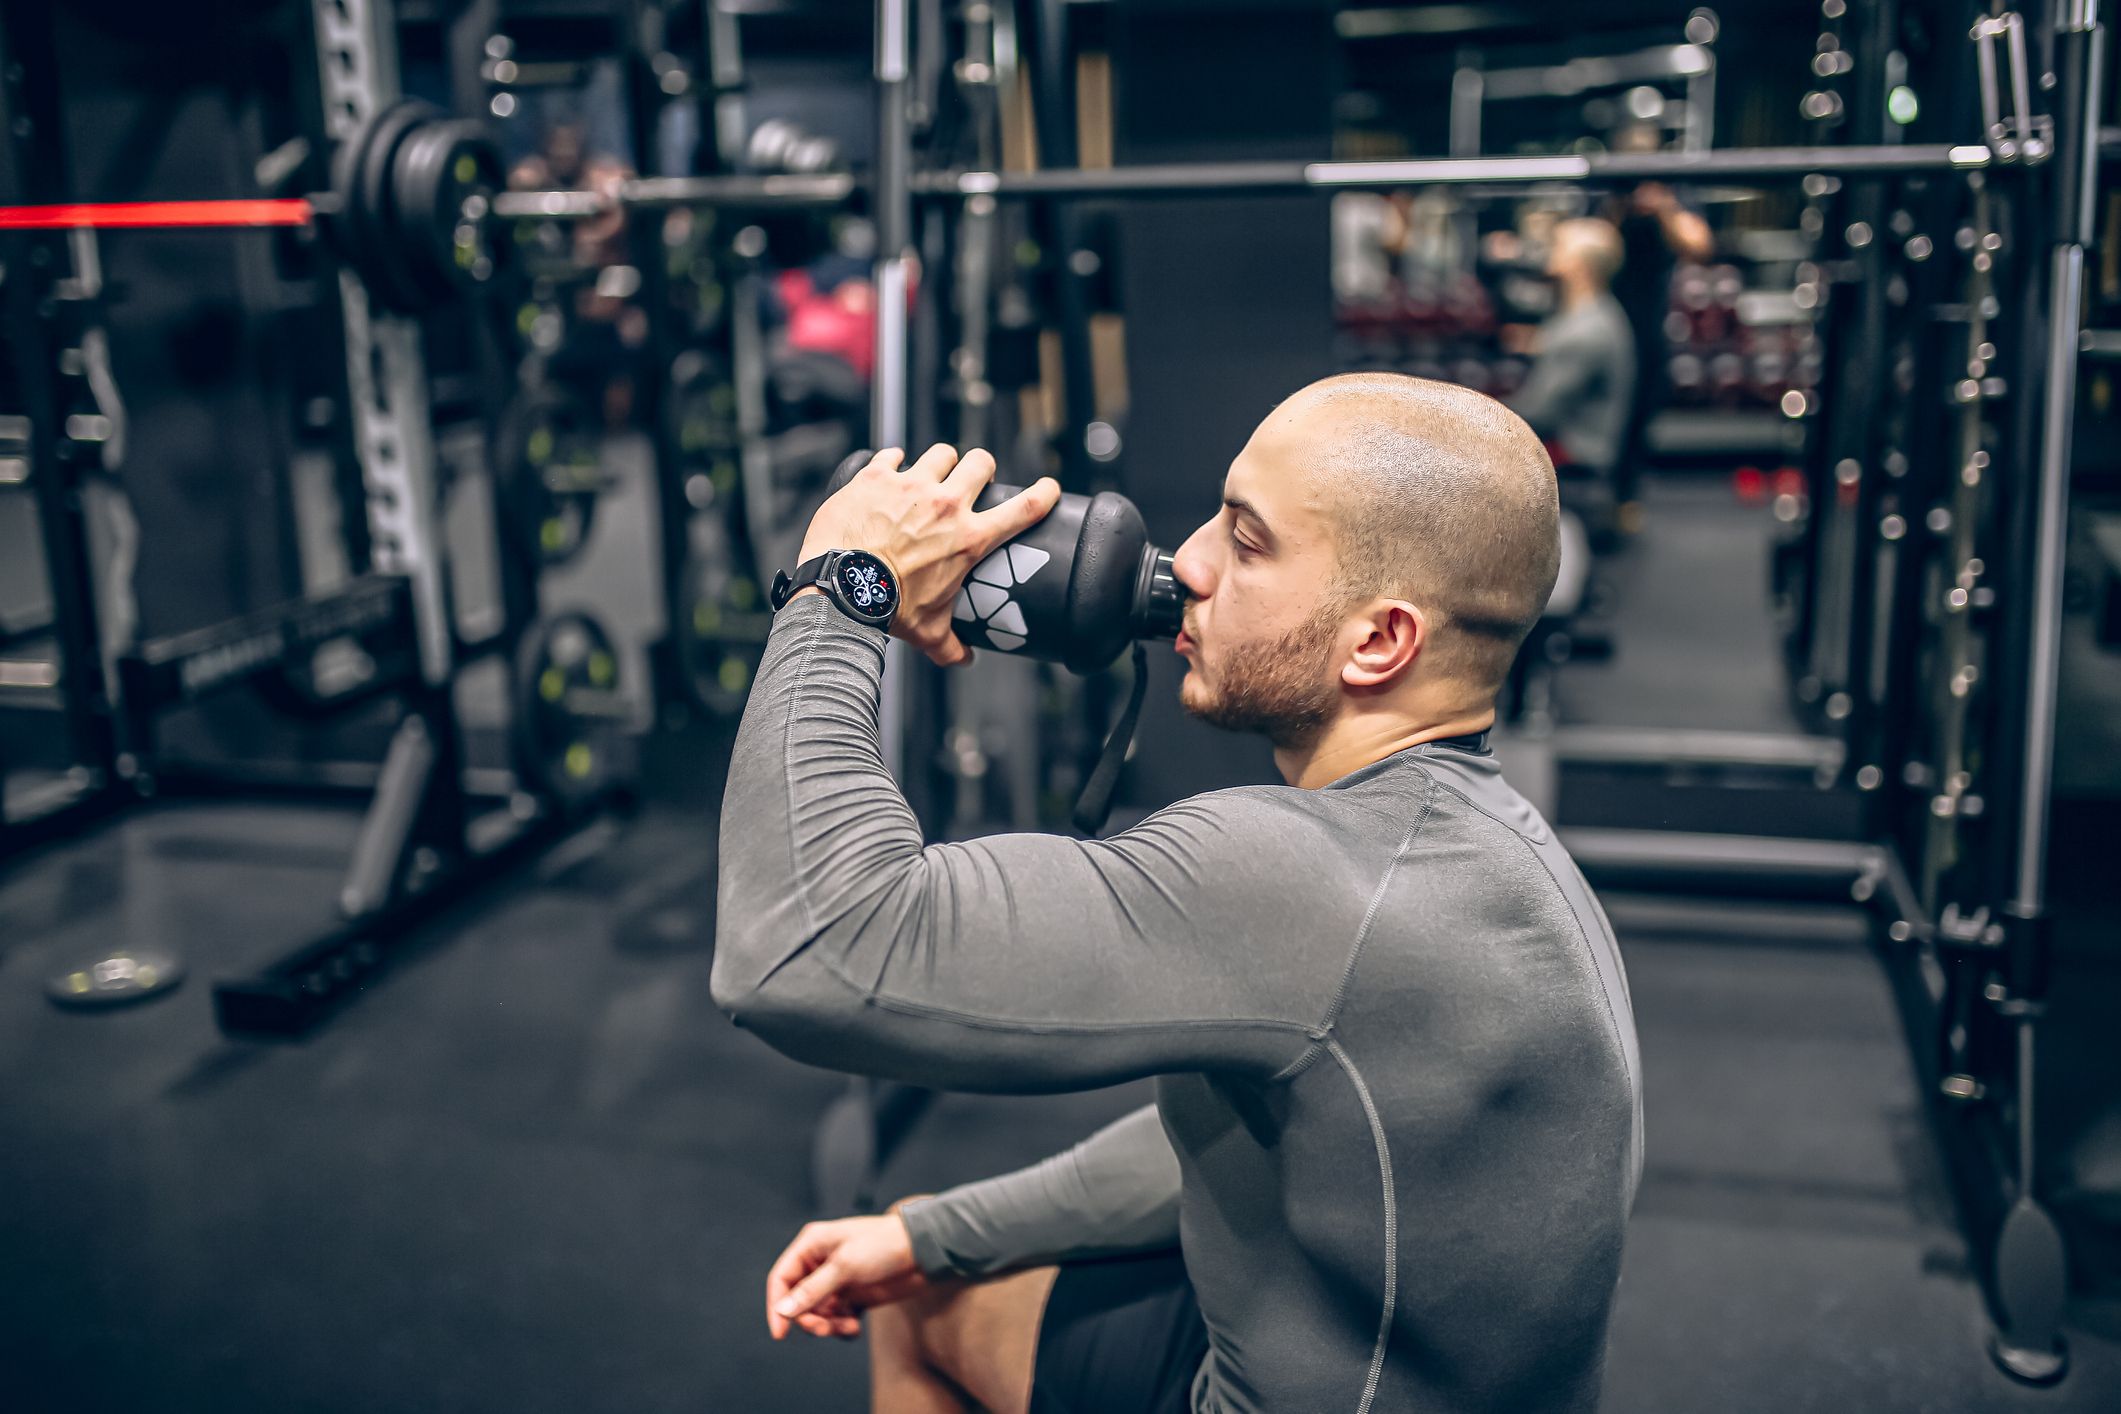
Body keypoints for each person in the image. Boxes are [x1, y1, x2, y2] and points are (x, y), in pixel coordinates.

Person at [711, 374, 1642, 1414]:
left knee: (919, 1312)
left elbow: (797, 946)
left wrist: (846, 589)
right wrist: (929, 1233)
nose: (1187, 560)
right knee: (927, 1265)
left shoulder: (1303, 876)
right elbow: (1220, 1137)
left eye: (1247, 543)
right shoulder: (1496, 844)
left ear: (1379, 641)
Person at [1504, 217, 1636, 490]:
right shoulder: (1597, 313)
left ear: (1579, 264)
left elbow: (1538, 413)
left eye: (1558, 246)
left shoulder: (1586, 332)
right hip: (1582, 453)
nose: (1549, 251)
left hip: (1576, 464)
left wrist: (1478, 413)